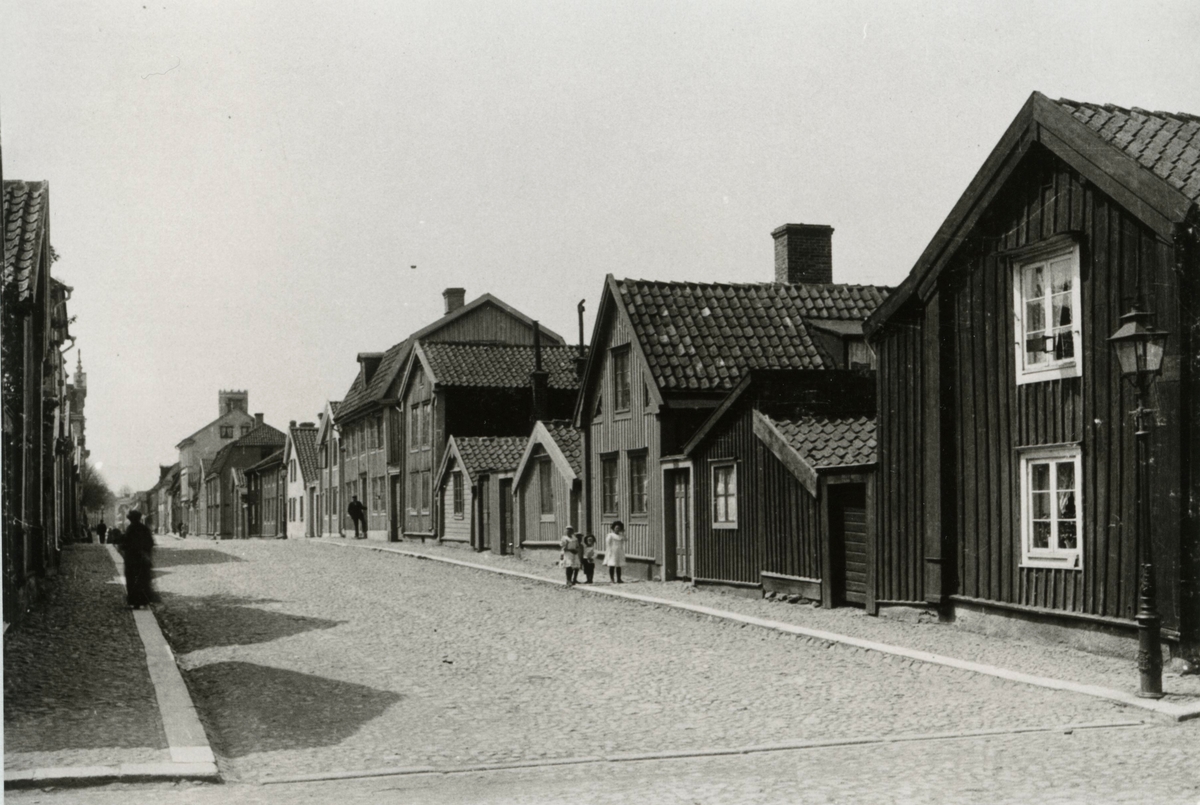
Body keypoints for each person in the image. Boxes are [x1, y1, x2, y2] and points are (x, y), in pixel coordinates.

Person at [120, 510, 156, 609]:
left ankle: (135, 601)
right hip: (142, 559)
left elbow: (125, 544)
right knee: (143, 579)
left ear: (131, 519)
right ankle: (143, 601)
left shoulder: (130, 529)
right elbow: (150, 543)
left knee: (132, 580)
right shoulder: (144, 529)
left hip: (131, 559)